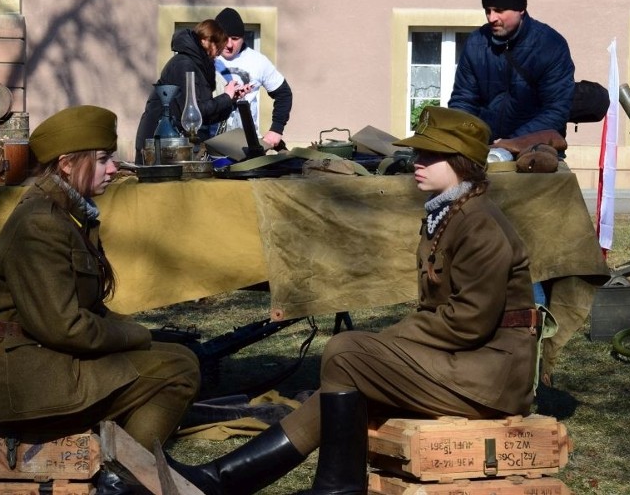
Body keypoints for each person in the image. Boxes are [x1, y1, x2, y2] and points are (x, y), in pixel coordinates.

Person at [168, 107, 540, 495]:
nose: (418, 162)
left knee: (348, 352)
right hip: (467, 363)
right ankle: (223, 478)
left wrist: (390, 340)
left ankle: (323, 487)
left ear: (462, 163)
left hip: (490, 376)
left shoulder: (479, 224)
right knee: (346, 371)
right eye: (418, 153)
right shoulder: (450, 213)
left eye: (431, 156)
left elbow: (468, 322)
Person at [0, 105, 201, 493]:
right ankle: (120, 483)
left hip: (41, 363)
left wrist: (151, 335)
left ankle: (121, 467)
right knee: (179, 372)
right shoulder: (41, 224)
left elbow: (85, 312)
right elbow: (65, 326)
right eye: (103, 159)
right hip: (23, 384)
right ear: (66, 164)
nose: (114, 168)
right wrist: (140, 337)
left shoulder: (66, 215)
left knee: (176, 356)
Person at [449, 0, 575, 144]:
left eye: (499, 10)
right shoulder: (475, 44)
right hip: (484, 147)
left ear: (521, 9)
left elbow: (556, 110)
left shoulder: (551, 45)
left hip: (536, 148)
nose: (491, 18)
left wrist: (511, 143)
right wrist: (467, 139)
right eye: (488, 10)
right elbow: (463, 100)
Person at [135, 19, 243, 163]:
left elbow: (202, 118)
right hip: (159, 144)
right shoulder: (185, 64)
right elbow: (195, 110)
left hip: (172, 144)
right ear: (205, 40)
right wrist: (226, 96)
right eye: (217, 46)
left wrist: (230, 100)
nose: (218, 53)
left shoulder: (197, 65)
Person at [212, 7, 293, 149]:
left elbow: (284, 94)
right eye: (225, 37)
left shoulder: (257, 61)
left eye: (235, 39)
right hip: (211, 142)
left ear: (243, 38)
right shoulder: (207, 58)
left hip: (246, 144)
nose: (229, 44)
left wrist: (276, 130)